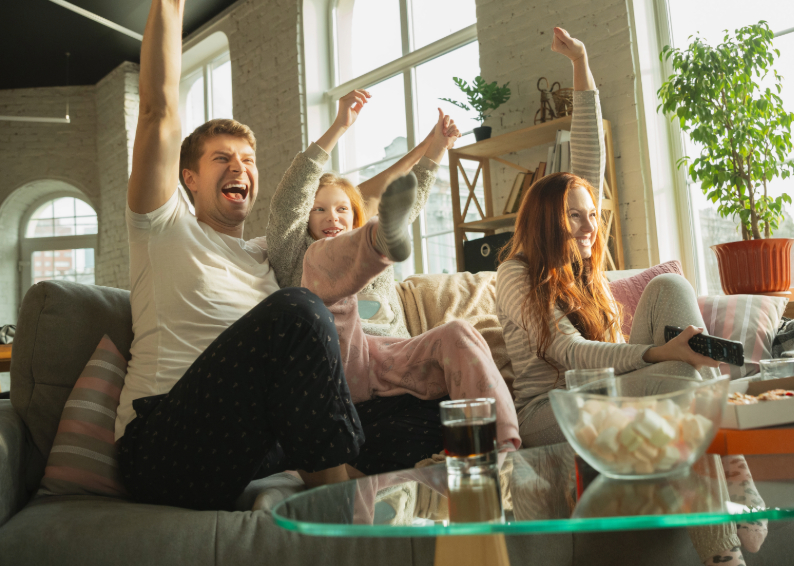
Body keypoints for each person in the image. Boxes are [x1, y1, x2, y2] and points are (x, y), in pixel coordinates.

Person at [494, 27, 761, 565]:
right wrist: (661, 353)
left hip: (607, 388)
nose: (590, 225)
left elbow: (586, 160)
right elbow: (569, 355)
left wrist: (583, 63)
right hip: (552, 407)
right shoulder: (517, 273)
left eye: (593, 214)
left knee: (670, 285)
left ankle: (725, 476)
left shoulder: (583, 264)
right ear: (548, 218)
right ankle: (726, 548)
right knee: (685, 380)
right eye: (575, 215)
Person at [116, 0, 370, 511]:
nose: (241, 167)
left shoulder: (263, 257)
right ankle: (346, 510)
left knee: (415, 420)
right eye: (222, 159)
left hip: (244, 445)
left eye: (249, 160)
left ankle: (374, 485)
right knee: (299, 308)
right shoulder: (160, 227)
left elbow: (358, 211)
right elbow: (157, 109)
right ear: (188, 178)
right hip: (164, 446)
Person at [264, 93, 520, 474]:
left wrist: (436, 150)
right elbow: (289, 200)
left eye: (342, 209)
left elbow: (409, 204)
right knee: (323, 264)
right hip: (335, 361)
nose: (331, 217)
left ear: (356, 216)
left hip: (391, 359)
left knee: (457, 333)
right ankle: (370, 239)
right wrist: (339, 127)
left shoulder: (377, 252)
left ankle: (503, 451)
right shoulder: (294, 250)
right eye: (319, 209)